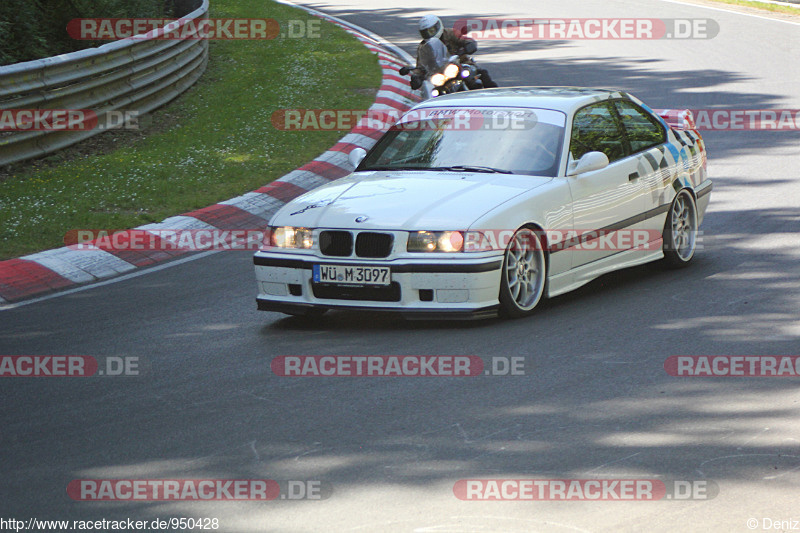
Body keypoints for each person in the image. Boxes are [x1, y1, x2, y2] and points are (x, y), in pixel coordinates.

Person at [399, 15, 497, 91]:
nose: (429, 34)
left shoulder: (450, 33)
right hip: (441, 75)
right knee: (436, 94)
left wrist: (469, 45)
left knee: (479, 73)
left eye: (431, 30)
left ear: (438, 26)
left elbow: (465, 40)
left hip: (461, 64)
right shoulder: (424, 47)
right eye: (425, 32)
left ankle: (496, 95)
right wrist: (417, 77)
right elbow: (420, 65)